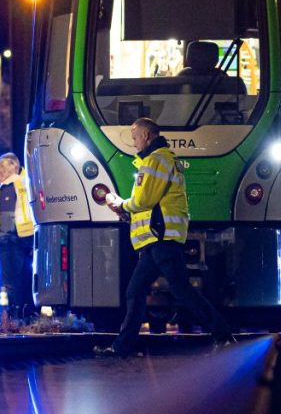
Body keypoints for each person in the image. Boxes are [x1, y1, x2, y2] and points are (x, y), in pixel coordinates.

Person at [95, 118, 234, 356]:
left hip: (161, 238)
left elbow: (144, 201)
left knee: (180, 290)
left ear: (147, 136)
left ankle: (223, 334)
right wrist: (128, 213)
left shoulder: (156, 159)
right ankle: (122, 347)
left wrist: (120, 204)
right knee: (137, 291)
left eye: (135, 136)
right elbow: (150, 204)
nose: (133, 141)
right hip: (155, 239)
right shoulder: (156, 160)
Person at [0, 152, 35, 324]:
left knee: (11, 282)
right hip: (26, 239)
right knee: (25, 279)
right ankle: (28, 316)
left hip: (10, 241)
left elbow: (7, 218)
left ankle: (16, 318)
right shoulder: (25, 183)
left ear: (4, 171)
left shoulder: (7, 186)